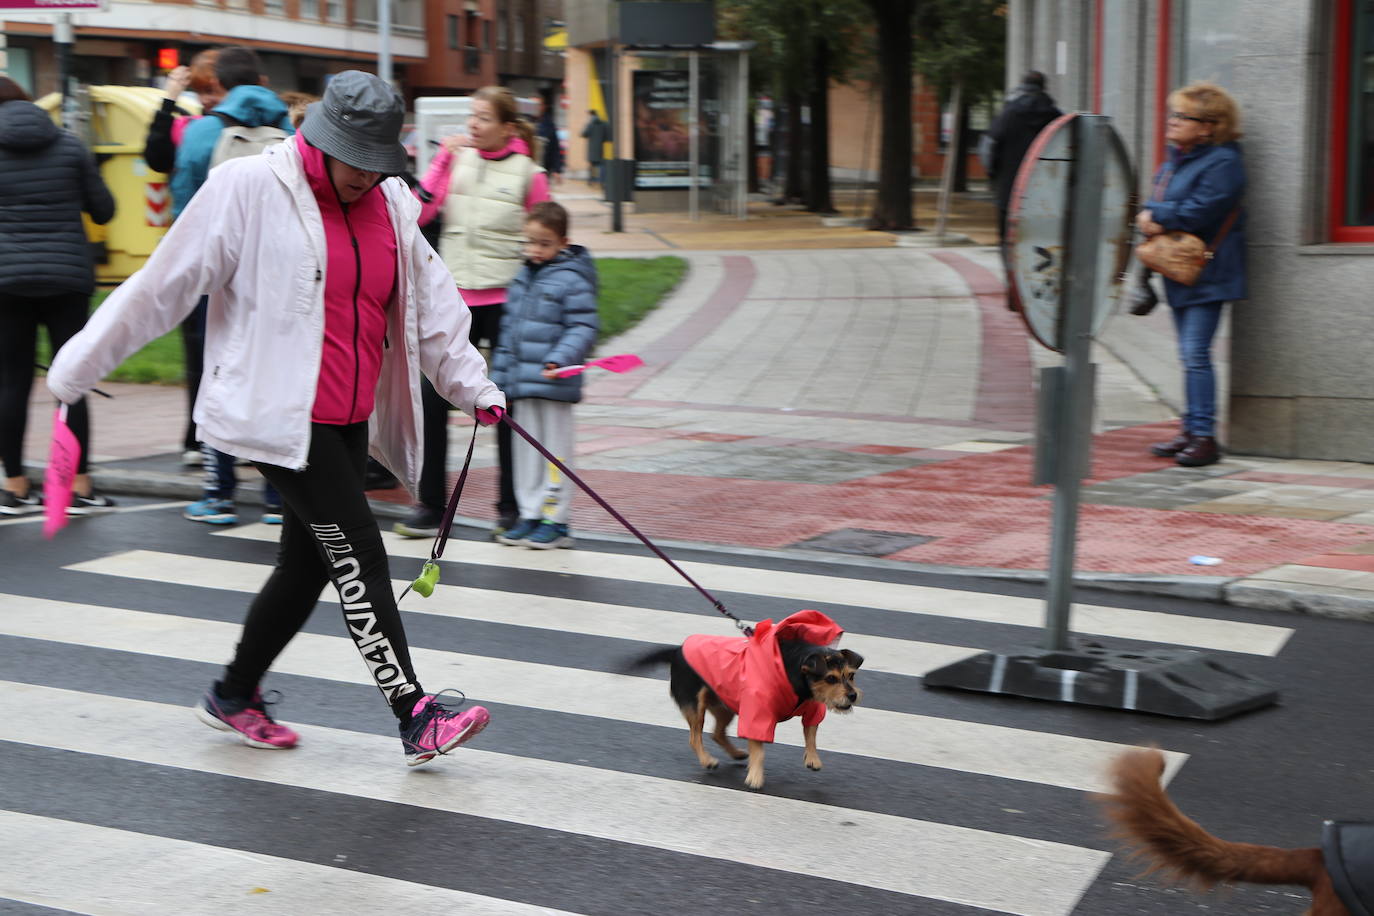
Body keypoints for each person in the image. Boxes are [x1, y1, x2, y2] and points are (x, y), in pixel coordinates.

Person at [47, 70, 505, 766]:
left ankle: (232, 695)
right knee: (358, 550)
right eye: (357, 160)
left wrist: (474, 386)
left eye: (381, 163)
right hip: (278, 415)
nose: (367, 177)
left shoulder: (390, 205)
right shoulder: (249, 189)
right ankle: (414, 712)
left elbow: (434, 308)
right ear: (322, 139)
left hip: (349, 418)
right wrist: (74, 372)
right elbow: (159, 289)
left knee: (306, 567)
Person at [398, 84, 550, 540]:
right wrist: (442, 160)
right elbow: (420, 214)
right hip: (455, 300)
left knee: (502, 406)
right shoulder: (456, 160)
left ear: (507, 127)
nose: (473, 125)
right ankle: (429, 506)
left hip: (507, 302)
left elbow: (544, 235)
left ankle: (508, 507)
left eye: (483, 118)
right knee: (431, 400)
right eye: (472, 116)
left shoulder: (529, 173)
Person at [172, 46, 291, 525]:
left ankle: (218, 494)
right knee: (273, 379)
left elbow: (186, 206)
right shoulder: (293, 133)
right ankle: (277, 499)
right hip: (277, 278)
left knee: (216, 377)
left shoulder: (202, 132)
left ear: (220, 84)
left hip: (217, 277)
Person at [0, 77, 116, 516]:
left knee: (11, 381)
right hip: (67, 279)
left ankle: (14, 488)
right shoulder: (69, 146)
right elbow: (103, 209)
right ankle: (77, 486)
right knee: (71, 383)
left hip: (6, 281)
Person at [1139, 82, 1246, 469]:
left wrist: (1156, 216)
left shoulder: (1223, 163)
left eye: (1182, 116)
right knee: (1189, 355)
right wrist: (1153, 212)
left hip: (1210, 272)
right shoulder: (1177, 159)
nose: (1172, 121)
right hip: (1181, 270)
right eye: (1173, 114)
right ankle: (1190, 428)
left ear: (1208, 126)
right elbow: (1159, 200)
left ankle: (1204, 437)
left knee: (1195, 353)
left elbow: (1203, 209)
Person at [490, 202, 598, 549]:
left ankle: (556, 519)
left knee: (555, 453)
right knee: (526, 453)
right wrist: (499, 379)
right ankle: (531, 513)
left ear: (563, 242)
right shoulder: (523, 277)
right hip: (522, 386)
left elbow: (582, 327)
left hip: (554, 383)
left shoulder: (572, 279)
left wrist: (559, 359)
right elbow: (508, 333)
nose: (535, 250)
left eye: (544, 243)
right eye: (530, 242)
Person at [143, 50, 226, 469]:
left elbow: (156, 157)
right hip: (209, 252)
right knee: (203, 345)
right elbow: (156, 156)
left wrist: (170, 99)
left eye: (211, 89)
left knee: (211, 346)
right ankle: (201, 439)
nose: (208, 98)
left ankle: (210, 441)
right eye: (202, 91)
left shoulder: (202, 130)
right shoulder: (191, 128)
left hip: (212, 253)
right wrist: (170, 99)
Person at [983, 71, 1062, 248]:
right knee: (1042, 240)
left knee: (1009, 241)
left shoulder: (1007, 114)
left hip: (1010, 190)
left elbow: (989, 148)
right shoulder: (1056, 117)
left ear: (1021, 86)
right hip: (1046, 193)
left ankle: (1011, 273)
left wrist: (993, 175)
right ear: (1044, 88)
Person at [536, 94, 564, 186]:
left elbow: (555, 148)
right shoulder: (522, 123)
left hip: (543, 170)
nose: (536, 107)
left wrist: (557, 169)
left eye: (538, 104)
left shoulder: (549, 125)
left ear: (544, 106)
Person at [581, 109, 608, 186]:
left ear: (591, 114)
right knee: (601, 165)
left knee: (592, 165)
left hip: (592, 149)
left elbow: (583, 134)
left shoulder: (590, 124)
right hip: (600, 148)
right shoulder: (603, 124)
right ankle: (602, 181)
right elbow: (606, 137)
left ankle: (591, 181)